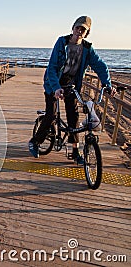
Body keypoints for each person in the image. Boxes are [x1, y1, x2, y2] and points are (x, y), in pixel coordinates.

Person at [28, 16, 115, 163]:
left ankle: (75, 152)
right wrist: (56, 88)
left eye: (83, 29)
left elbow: (101, 66)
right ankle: (35, 142)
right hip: (53, 82)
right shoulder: (62, 42)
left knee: (73, 117)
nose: (79, 31)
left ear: (87, 33)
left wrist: (107, 85)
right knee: (51, 115)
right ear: (73, 28)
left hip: (71, 85)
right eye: (78, 28)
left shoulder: (87, 48)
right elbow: (52, 68)